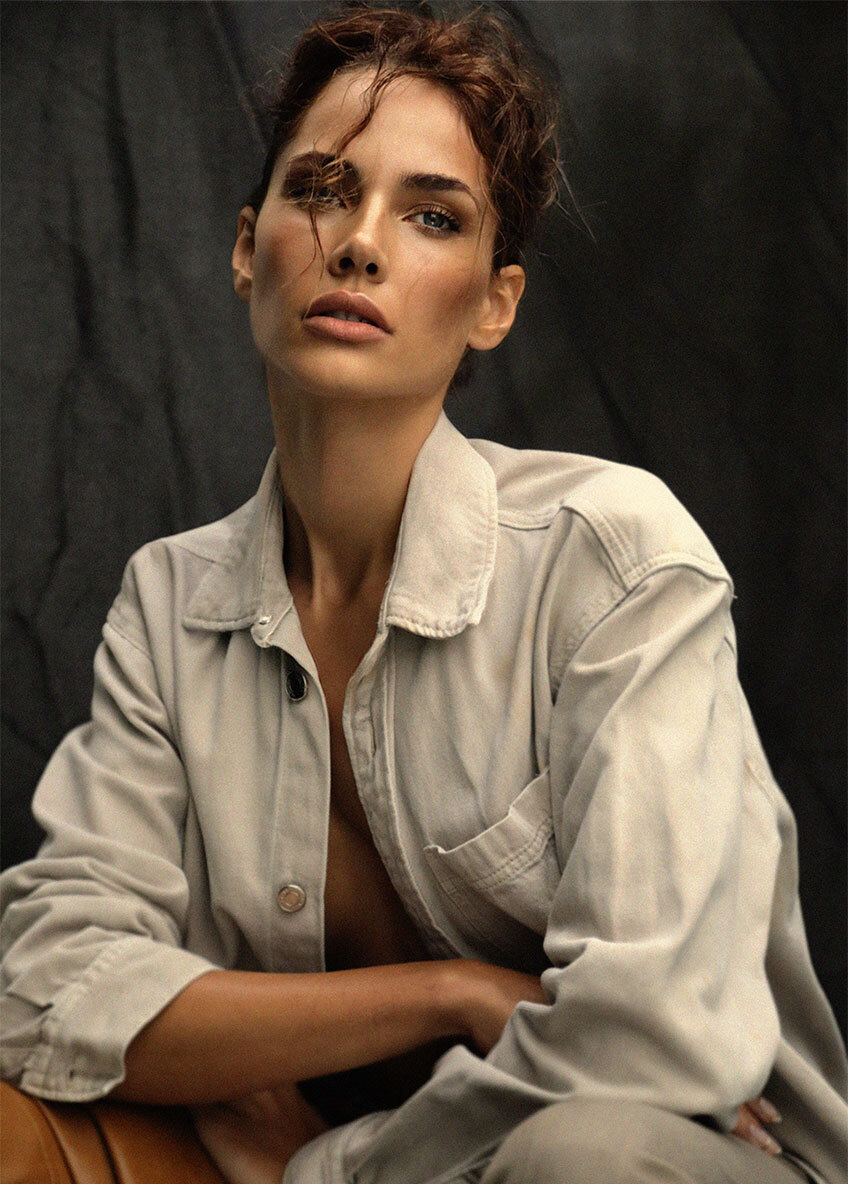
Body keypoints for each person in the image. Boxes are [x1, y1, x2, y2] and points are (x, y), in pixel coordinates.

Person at [1, 4, 846, 1183]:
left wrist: (326, 1166)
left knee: (577, 1156)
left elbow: (652, 1039)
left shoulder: (610, 559)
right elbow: (46, 988)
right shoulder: (168, 604)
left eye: (431, 215)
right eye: (320, 191)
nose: (358, 244)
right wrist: (448, 991)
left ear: (493, 301)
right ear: (246, 248)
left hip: (671, 1158)